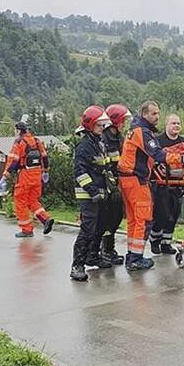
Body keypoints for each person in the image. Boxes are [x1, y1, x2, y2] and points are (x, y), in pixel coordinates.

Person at [117, 101, 184, 270]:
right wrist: (180, 159)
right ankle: (136, 258)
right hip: (136, 179)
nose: (157, 117)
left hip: (127, 179)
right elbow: (157, 154)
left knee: (133, 220)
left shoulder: (135, 130)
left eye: (158, 113)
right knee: (143, 220)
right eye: (153, 114)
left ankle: (132, 255)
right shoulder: (142, 132)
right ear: (144, 114)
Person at [70, 106, 114, 281]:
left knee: (100, 227)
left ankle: (92, 257)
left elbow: (104, 166)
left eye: (103, 125)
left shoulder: (98, 142)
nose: (102, 128)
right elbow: (80, 172)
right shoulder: (84, 146)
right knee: (87, 230)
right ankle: (77, 265)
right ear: (90, 125)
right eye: (99, 125)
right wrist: (93, 191)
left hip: (101, 192)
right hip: (88, 195)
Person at [0, 121, 54, 237]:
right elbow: (44, 157)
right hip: (37, 175)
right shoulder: (37, 141)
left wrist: (5, 175)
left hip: (25, 176)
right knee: (32, 200)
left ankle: (26, 230)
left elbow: (14, 161)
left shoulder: (19, 142)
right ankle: (45, 219)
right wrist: (46, 171)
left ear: (18, 130)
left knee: (20, 202)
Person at [149, 114, 184, 255]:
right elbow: (153, 158)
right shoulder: (158, 141)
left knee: (173, 214)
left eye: (178, 123)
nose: (176, 126)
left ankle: (166, 243)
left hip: (178, 183)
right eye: (173, 123)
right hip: (161, 183)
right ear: (166, 125)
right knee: (161, 214)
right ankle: (155, 241)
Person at [99, 104, 132, 265]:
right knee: (108, 218)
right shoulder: (104, 139)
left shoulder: (119, 138)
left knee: (116, 217)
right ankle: (105, 249)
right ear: (115, 121)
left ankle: (108, 249)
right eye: (122, 121)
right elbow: (105, 165)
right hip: (108, 185)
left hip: (118, 183)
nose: (124, 124)